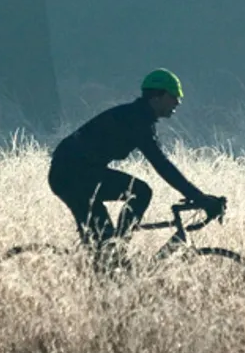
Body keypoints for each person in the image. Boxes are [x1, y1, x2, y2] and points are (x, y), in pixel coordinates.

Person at [48, 68, 221, 257]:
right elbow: (161, 164)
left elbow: (161, 162)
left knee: (103, 245)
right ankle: (118, 248)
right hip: (71, 175)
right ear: (156, 97)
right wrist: (198, 197)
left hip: (75, 173)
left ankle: (112, 255)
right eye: (173, 97)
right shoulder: (137, 120)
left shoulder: (138, 116)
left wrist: (198, 196)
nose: (178, 102)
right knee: (140, 192)